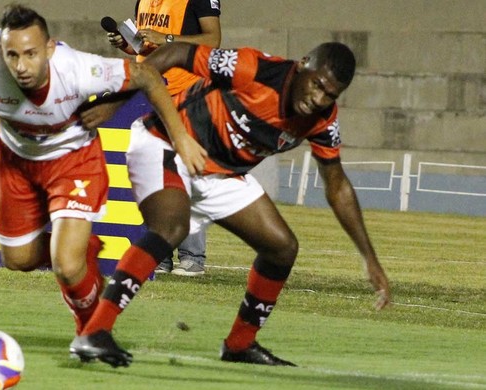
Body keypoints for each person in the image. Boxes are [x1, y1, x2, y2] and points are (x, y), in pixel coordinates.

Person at [71, 40, 392, 368]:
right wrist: (117, 101)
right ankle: (94, 332)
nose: (319, 99)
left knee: (282, 247)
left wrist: (369, 258)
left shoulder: (324, 119)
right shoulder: (253, 68)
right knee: (171, 228)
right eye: (318, 85)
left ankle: (240, 344)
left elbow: (337, 186)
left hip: (219, 173)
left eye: (330, 95)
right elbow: (176, 52)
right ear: (304, 64)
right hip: (165, 142)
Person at [0, 4, 192, 337]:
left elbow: (147, 75)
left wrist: (180, 137)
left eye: (31, 54)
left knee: (66, 264)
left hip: (73, 159)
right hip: (17, 161)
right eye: (13, 55)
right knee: (17, 260)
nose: (21, 66)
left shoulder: (78, 69)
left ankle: (92, 332)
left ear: (49, 48)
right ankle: (84, 250)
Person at [93, 0, 222, 276]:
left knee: (189, 172)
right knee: (153, 174)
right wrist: (127, 44)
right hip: (150, 92)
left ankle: (192, 256)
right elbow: (145, 48)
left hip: (189, 92)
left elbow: (213, 40)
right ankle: (159, 252)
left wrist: (168, 39)